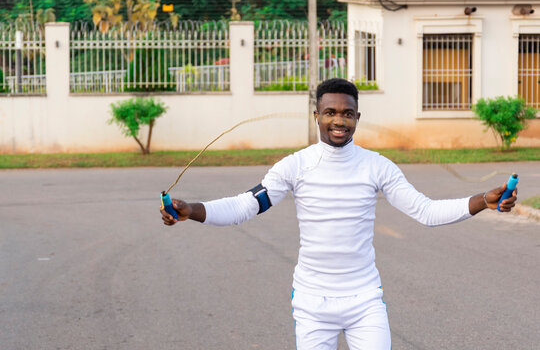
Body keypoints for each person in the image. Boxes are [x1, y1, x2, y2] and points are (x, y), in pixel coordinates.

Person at [160, 78, 517, 350]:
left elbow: (425, 211)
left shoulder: (377, 166)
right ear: (317, 115)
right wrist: (192, 210)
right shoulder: (295, 165)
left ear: (357, 117)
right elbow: (246, 205)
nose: (339, 121)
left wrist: (482, 200)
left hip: (364, 300)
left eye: (347, 113)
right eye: (330, 112)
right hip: (312, 303)